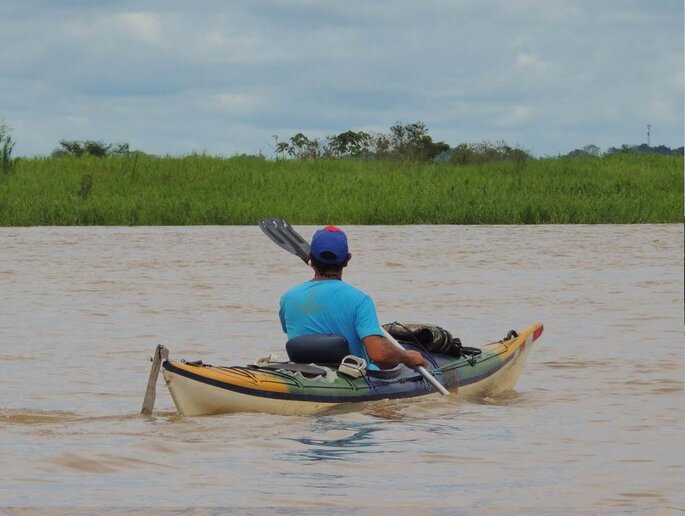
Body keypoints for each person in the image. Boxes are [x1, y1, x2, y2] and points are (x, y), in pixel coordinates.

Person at [279, 225, 428, 370]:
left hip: (303, 373)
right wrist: (408, 357)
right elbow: (380, 355)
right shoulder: (360, 300)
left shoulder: (288, 297)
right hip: (353, 377)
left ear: (311, 257)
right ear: (347, 260)